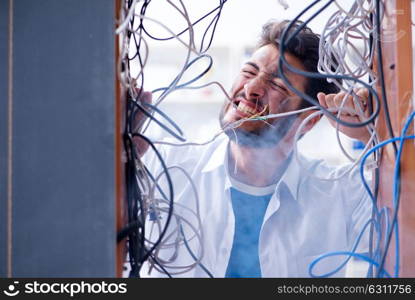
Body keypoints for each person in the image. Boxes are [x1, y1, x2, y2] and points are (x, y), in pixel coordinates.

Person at [134, 20, 372, 278]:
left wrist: (378, 138)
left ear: (309, 120)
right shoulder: (164, 167)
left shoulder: (340, 193)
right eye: (249, 72)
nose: (250, 89)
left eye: (278, 86)